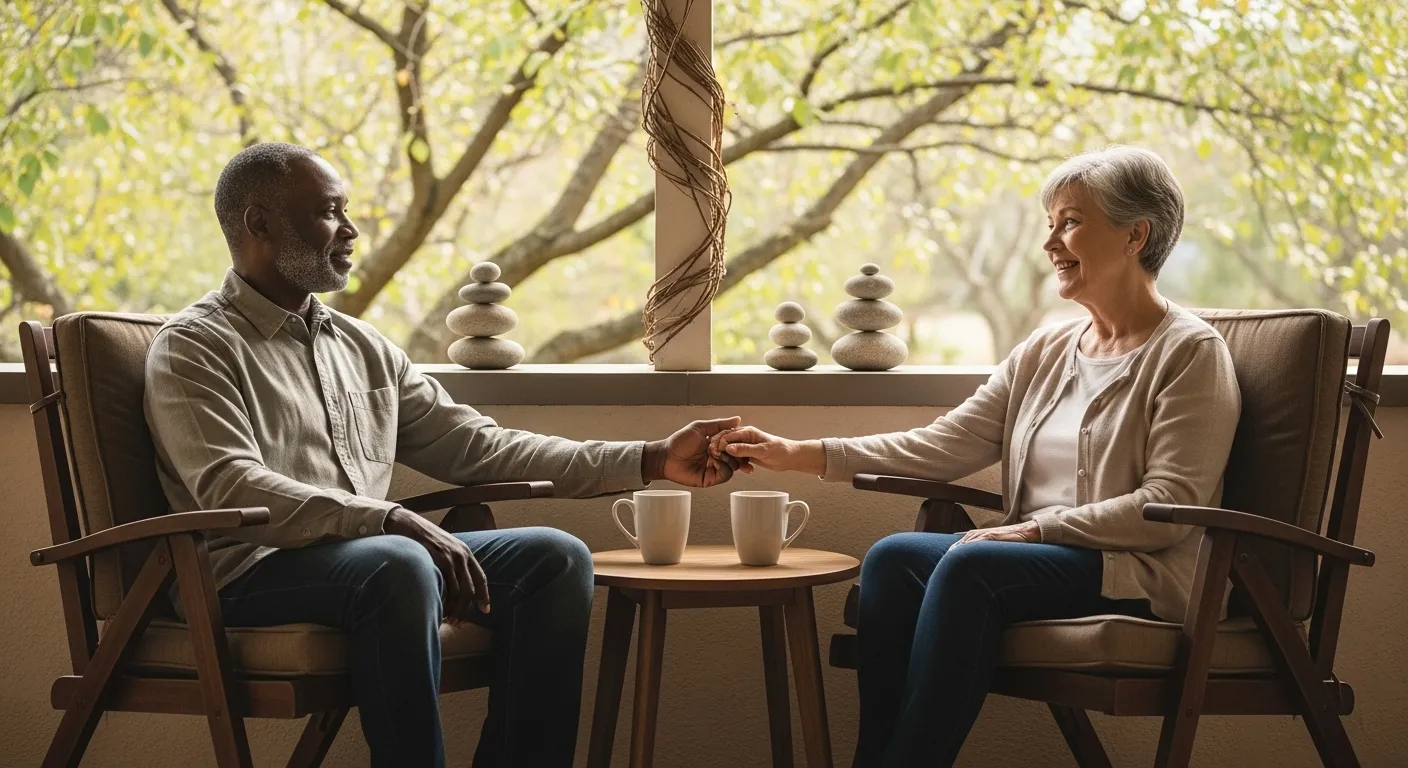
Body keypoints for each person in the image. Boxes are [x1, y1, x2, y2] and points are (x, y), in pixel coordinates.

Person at [144, 142, 742, 768]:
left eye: (347, 211)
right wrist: (388, 518)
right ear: (258, 224)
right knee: (399, 563)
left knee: (554, 559)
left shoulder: (363, 346)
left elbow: (481, 447)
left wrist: (650, 458)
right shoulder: (195, 347)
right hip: (246, 572)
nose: (349, 231)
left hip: (367, 554)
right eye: (328, 212)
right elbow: (230, 486)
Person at [712, 146, 1241, 767]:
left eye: (1069, 222)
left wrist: (1037, 529)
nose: (1050, 243)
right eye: (1050, 223)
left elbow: (1168, 505)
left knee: (972, 568)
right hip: (1032, 554)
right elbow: (945, 443)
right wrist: (799, 453)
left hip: (1133, 571)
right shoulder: (1046, 349)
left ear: (1136, 235)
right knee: (893, 559)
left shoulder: (1190, 354)